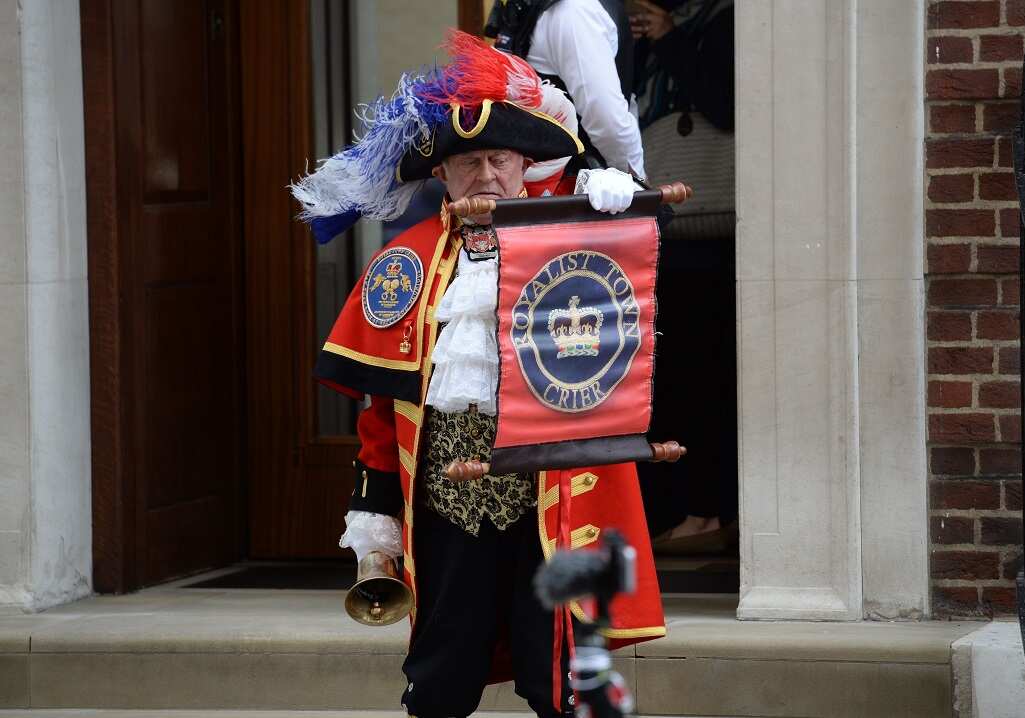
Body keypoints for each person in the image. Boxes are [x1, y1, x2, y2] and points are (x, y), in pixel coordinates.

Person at [291, 32, 663, 718]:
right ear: (443, 173)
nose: (485, 176)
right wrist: (375, 519)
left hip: (550, 496)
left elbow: (630, 307)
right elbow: (382, 409)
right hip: (444, 506)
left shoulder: (571, 243)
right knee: (440, 676)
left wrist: (618, 205)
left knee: (562, 675)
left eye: (499, 159)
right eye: (467, 163)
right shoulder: (405, 262)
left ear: (526, 164)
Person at [630, 0, 738, 552]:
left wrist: (671, 39)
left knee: (705, 376)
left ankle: (709, 510)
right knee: (670, 377)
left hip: (711, 233)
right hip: (666, 231)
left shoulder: (722, 22)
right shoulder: (643, 34)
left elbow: (725, 104)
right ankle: (681, 509)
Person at [486, 0, 644, 177]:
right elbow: (607, 121)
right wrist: (636, 181)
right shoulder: (575, 12)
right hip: (577, 184)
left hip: (546, 175)